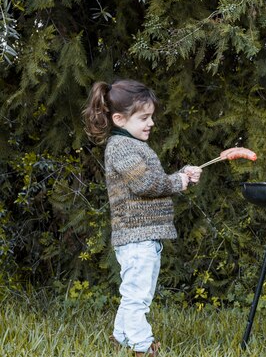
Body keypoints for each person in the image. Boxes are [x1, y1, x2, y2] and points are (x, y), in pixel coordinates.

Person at [83, 79, 202, 356]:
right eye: (144, 118)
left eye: (151, 117)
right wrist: (178, 182)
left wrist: (182, 174)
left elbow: (154, 180)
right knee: (138, 296)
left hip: (142, 236)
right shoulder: (122, 147)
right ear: (119, 118)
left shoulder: (131, 145)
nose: (151, 123)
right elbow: (145, 184)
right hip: (137, 237)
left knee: (134, 292)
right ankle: (141, 345)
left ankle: (121, 336)